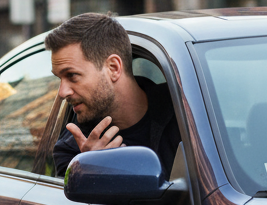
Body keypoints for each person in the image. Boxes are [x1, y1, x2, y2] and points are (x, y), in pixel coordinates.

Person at [47, 12, 181, 178]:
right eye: (60, 78)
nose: (62, 92)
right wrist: (90, 170)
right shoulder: (72, 150)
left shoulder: (185, 114)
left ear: (113, 68)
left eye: (72, 75)